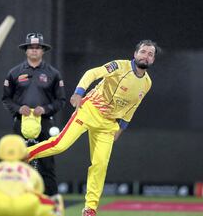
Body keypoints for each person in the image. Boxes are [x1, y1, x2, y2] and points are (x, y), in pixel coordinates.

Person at [27, 40, 160, 216]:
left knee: (100, 164)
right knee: (60, 145)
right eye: (143, 52)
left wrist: (121, 128)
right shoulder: (119, 66)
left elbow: (132, 107)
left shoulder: (147, 83)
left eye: (151, 54)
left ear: (153, 60)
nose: (146, 56)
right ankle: (25, 154)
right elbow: (93, 73)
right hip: (89, 110)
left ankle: (90, 208)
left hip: (108, 124)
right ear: (135, 54)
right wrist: (78, 92)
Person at [2, 32, 66, 195]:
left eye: (38, 48)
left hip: (44, 123)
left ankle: (51, 203)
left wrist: (45, 109)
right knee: (18, 161)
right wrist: (18, 108)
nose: (34, 50)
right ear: (26, 50)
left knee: (47, 164)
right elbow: (6, 99)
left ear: (43, 50)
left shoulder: (53, 73)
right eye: (31, 47)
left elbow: (61, 100)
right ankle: (15, 199)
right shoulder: (15, 72)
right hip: (21, 122)